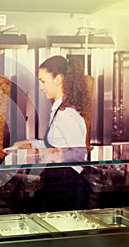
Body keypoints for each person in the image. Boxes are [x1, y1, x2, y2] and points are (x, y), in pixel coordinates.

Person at [15, 55, 91, 212]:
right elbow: (56, 143)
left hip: (68, 187)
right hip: (58, 184)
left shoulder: (66, 114)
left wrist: (46, 155)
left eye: (43, 81)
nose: (41, 87)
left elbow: (79, 153)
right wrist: (30, 143)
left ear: (58, 79)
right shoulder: (59, 110)